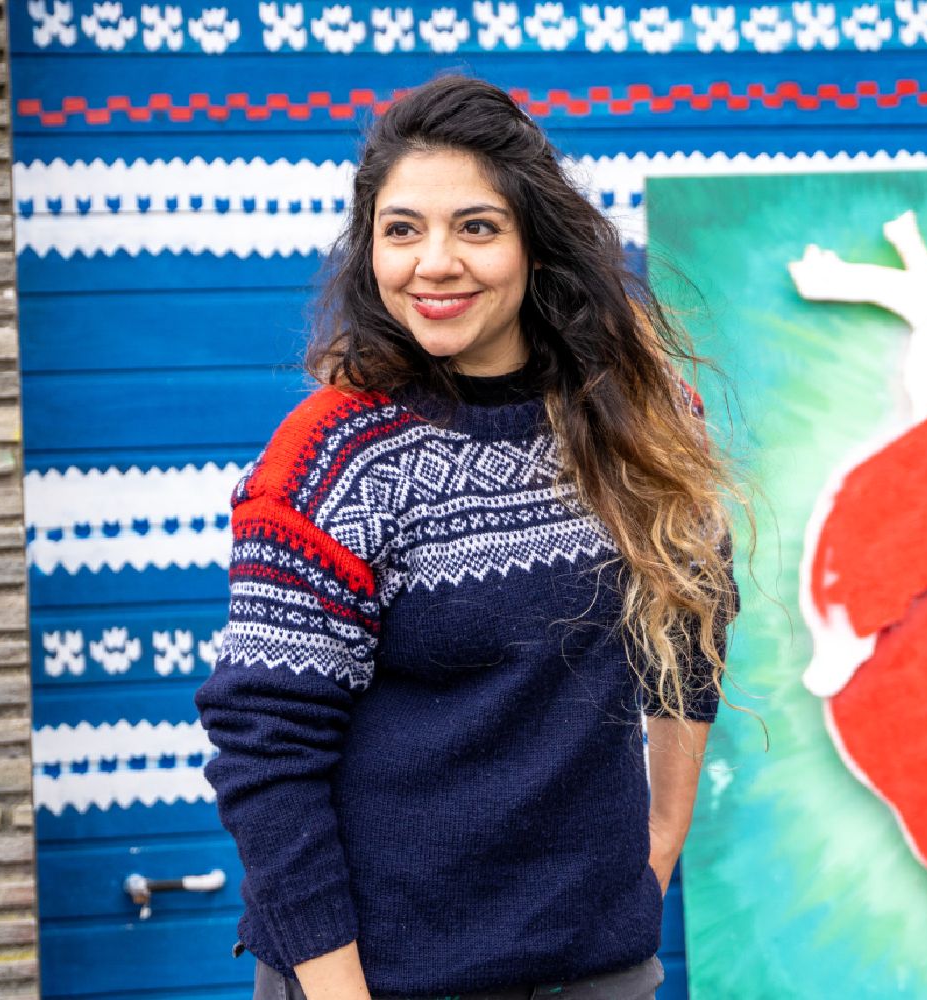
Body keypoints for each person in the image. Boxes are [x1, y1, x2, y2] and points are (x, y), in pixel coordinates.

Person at [193, 73, 741, 1000]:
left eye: (476, 227)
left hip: (597, 971)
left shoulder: (644, 420)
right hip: (381, 980)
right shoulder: (328, 461)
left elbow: (692, 624)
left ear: (536, 243)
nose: (434, 262)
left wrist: (654, 849)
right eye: (401, 230)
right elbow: (266, 751)